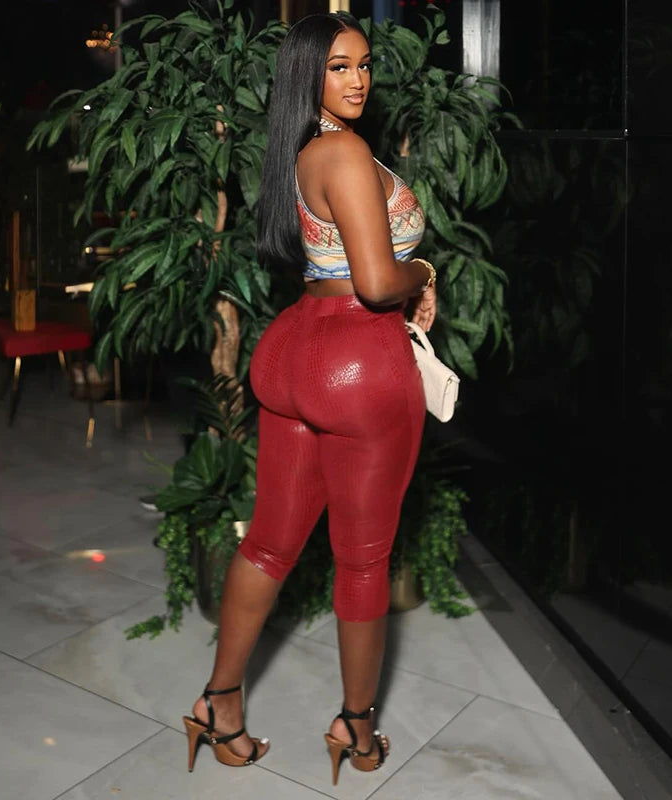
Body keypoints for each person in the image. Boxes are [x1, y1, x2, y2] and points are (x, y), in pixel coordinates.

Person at [182, 12, 437, 785]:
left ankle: (218, 703)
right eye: (338, 67)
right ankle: (356, 729)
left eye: (364, 64)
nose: (358, 80)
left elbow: (329, 261)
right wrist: (425, 273)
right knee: (362, 559)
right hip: (358, 360)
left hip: (294, 348)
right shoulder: (346, 153)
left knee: (267, 544)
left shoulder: (303, 151)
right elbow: (378, 282)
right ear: (308, 75)